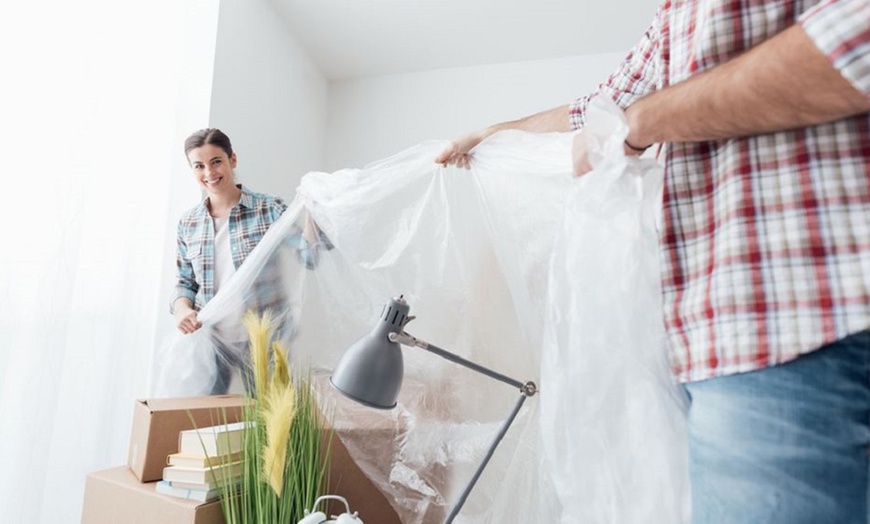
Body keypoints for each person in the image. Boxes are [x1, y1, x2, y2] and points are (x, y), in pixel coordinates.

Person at [437, 0, 870, 522]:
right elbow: (597, 110)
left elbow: (855, 40)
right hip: (722, 346)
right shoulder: (679, 14)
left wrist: (638, 123)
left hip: (807, 321)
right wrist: (495, 135)